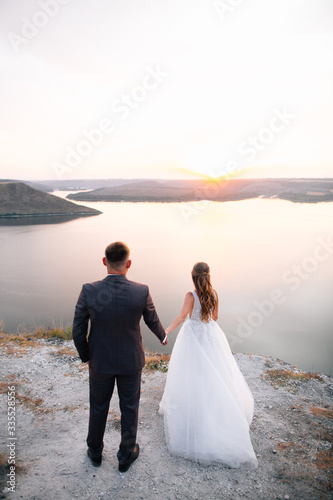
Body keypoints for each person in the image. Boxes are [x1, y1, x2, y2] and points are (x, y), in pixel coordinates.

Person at [72, 242, 167, 472]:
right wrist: (163, 336)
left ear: (104, 261)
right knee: (130, 408)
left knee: (98, 406)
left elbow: (77, 330)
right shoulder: (141, 290)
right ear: (129, 264)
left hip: (100, 362)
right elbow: (151, 319)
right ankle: (125, 456)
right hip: (130, 362)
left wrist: (87, 357)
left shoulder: (89, 290)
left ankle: (95, 452)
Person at [159, 262, 257, 468]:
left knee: (190, 372)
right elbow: (215, 317)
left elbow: (181, 316)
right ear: (208, 275)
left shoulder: (190, 295)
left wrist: (166, 331)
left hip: (192, 336)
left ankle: (191, 406)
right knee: (214, 371)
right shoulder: (214, 294)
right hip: (210, 334)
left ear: (193, 276)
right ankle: (214, 405)